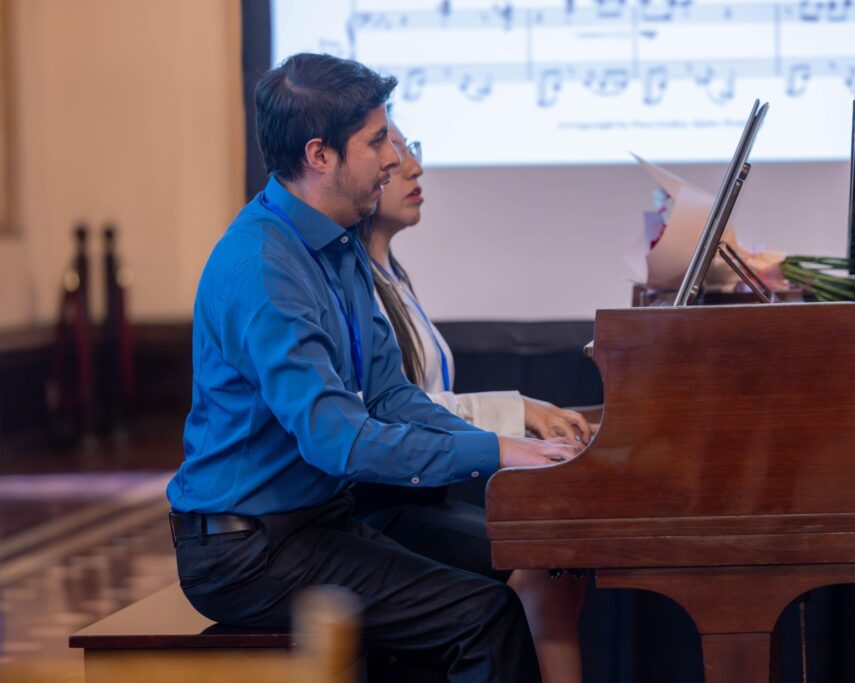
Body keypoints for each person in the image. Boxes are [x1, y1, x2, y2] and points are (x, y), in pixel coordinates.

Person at [166, 53, 583, 683]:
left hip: (312, 522)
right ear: (320, 156)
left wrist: (505, 445)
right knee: (484, 615)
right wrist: (497, 452)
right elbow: (339, 440)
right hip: (246, 549)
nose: (394, 156)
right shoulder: (262, 266)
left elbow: (390, 396)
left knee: (522, 566)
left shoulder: (337, 244)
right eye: (377, 140)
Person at [354, 123, 593, 683]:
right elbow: (397, 410)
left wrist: (523, 414)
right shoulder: (354, 282)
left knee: (559, 556)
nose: (411, 167)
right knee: (542, 562)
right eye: (392, 151)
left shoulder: (391, 274)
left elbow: (419, 401)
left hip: (416, 498)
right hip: (381, 506)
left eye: (411, 150)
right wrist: (517, 415)